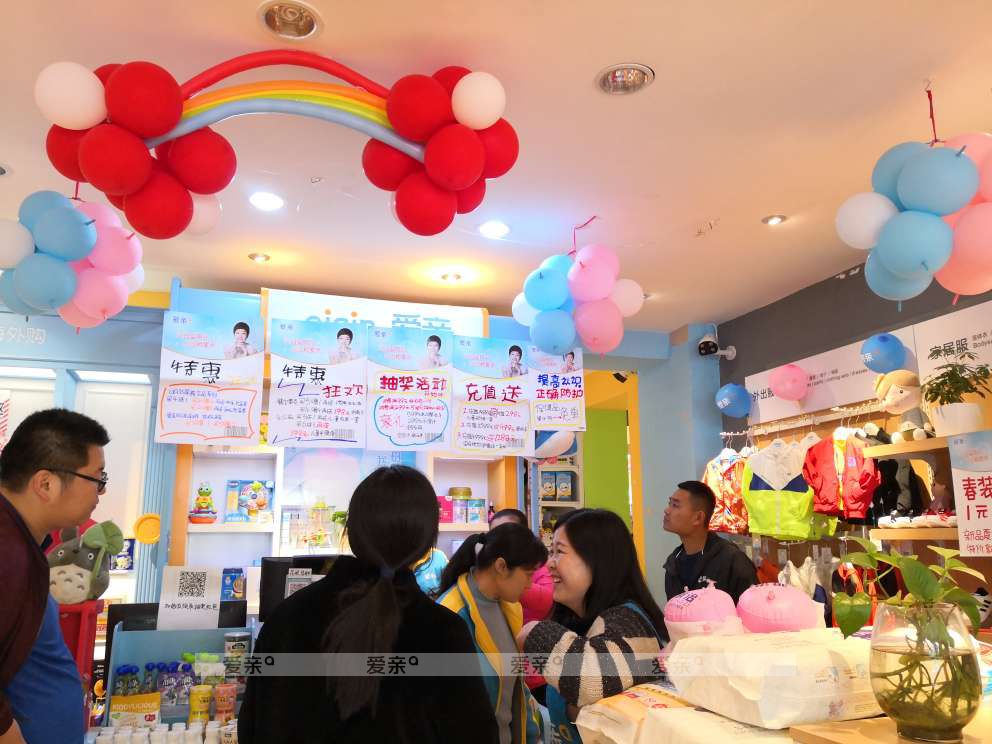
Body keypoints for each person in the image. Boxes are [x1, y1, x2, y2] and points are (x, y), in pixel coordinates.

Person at [239, 465, 498, 743]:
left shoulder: (286, 618)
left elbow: (252, 727)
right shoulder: (442, 632)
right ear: (426, 544)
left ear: (350, 531)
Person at [0, 409, 110, 744]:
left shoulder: (23, 544)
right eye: (97, 479)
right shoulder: (7, 552)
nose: (100, 492)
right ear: (46, 484)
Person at [517, 509, 667, 743]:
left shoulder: (629, 623)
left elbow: (590, 678)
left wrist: (534, 632)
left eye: (559, 552)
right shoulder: (579, 619)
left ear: (598, 560)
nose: (549, 563)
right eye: (550, 551)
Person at [437, 525, 548, 744]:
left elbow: (516, 688)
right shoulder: (450, 615)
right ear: (501, 566)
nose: (530, 585)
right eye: (528, 575)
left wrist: (531, 735)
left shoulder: (510, 608)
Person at [662, 480, 758, 602]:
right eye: (670, 504)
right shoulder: (673, 563)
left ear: (698, 518)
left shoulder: (732, 560)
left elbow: (752, 608)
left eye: (675, 505)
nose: (667, 510)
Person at [489, 509, 553, 624]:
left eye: (507, 534)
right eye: (494, 535)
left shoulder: (538, 566)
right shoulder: (487, 569)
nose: (499, 542)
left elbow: (548, 599)